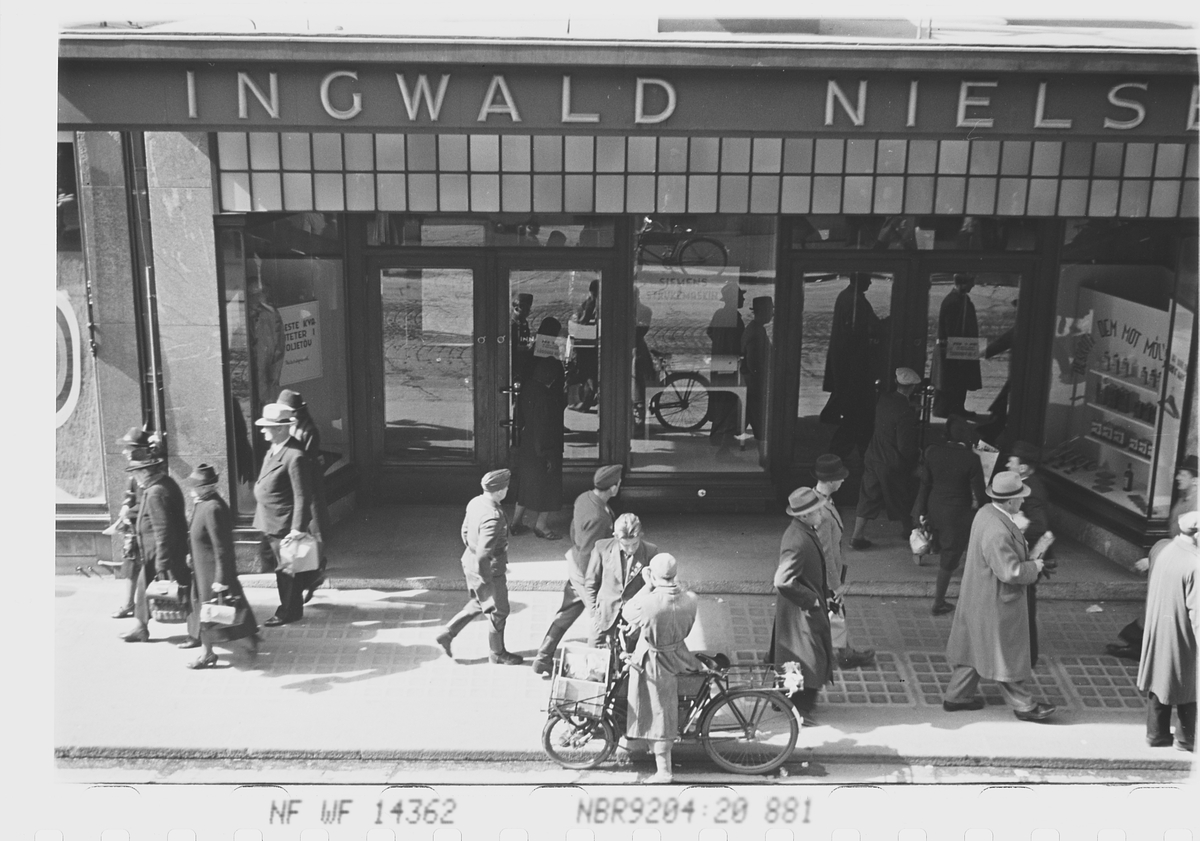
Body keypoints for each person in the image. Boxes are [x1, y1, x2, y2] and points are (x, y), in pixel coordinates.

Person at [941, 471, 1056, 722]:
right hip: (998, 603)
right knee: (1005, 656)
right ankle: (1024, 706)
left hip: (979, 597)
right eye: (1020, 497)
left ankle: (956, 696)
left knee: (974, 649)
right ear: (1009, 501)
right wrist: (1034, 567)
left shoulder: (986, 514)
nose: (1023, 501)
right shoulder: (998, 530)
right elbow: (1010, 571)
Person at [531, 465, 623, 675]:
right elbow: (592, 551)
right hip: (587, 574)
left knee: (566, 613)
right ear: (613, 488)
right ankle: (596, 672)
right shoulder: (599, 516)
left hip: (576, 567)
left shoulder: (584, 498)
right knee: (601, 620)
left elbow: (575, 529)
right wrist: (595, 582)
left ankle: (543, 659)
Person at [621, 553, 704, 784]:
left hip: (655, 662)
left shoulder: (648, 603)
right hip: (679, 655)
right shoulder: (690, 599)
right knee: (664, 708)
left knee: (659, 712)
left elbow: (627, 612)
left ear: (653, 574)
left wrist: (647, 585)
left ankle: (664, 772)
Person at [1107, 454, 1198, 660]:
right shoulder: (1186, 498)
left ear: (1195, 479)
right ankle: (1141, 647)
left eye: (1183, 474)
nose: (1177, 477)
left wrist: (1154, 559)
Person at [436, 469, 524, 665]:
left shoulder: (475, 502)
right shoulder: (493, 516)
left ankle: (448, 632)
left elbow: (465, 531)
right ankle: (497, 653)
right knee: (499, 611)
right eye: (506, 487)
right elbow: (485, 553)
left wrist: (473, 551)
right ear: (500, 491)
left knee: (480, 602)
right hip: (489, 570)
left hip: (470, 563)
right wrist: (487, 578)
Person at [768, 487, 835, 723]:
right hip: (801, 611)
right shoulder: (797, 540)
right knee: (808, 658)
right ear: (804, 515)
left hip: (798, 610)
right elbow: (782, 580)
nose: (821, 513)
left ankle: (786, 702)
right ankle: (797, 709)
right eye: (816, 510)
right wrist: (812, 599)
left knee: (794, 657)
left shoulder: (801, 531)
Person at [121, 449, 199, 647]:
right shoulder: (162, 484)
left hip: (162, 552)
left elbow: (163, 528)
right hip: (157, 551)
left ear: (146, 471)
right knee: (143, 586)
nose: (134, 477)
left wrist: (162, 562)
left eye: (137, 472)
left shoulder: (156, 492)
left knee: (185, 590)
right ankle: (140, 626)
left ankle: (198, 632)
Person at [186, 464, 260, 669]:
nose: (191, 489)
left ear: (207, 487)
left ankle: (237, 644)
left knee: (217, 612)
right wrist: (191, 555)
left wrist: (220, 579)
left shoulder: (213, 508)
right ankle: (212, 651)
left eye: (196, 485)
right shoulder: (203, 503)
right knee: (209, 613)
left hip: (211, 572)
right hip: (202, 570)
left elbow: (222, 548)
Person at [913, 414, 987, 615]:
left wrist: (920, 510)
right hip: (957, 513)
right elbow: (980, 493)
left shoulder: (933, 452)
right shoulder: (971, 458)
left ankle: (923, 553)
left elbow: (925, 483)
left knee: (935, 538)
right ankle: (938, 602)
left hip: (934, 505)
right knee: (950, 555)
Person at [1136, 511, 1198, 752]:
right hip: (1182, 633)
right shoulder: (1195, 564)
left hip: (1159, 626)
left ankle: (1156, 734)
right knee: (1189, 684)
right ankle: (1186, 739)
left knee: (1160, 679)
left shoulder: (1164, 549)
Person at [252, 402, 317, 627]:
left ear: (280, 428)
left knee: (286, 571)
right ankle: (312, 576)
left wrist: (297, 529)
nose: (262, 431)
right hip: (269, 519)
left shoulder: (294, 456)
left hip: (283, 524)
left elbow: (302, 496)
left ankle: (288, 611)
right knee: (277, 565)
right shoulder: (276, 447)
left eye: (266, 427)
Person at [810, 455, 875, 669]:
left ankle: (844, 651)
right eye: (840, 477)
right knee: (831, 611)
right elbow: (826, 553)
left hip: (823, 573)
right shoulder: (822, 511)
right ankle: (843, 654)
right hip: (824, 575)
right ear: (830, 481)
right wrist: (835, 584)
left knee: (832, 612)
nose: (843, 481)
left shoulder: (818, 500)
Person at [849, 367, 922, 550]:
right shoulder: (906, 412)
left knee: (868, 496)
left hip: (873, 455)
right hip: (891, 462)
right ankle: (909, 531)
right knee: (902, 496)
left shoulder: (883, 400)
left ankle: (857, 536)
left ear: (897, 383)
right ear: (913, 388)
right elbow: (905, 446)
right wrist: (918, 456)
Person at [512, 318, 567, 539]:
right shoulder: (547, 399)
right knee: (549, 487)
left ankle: (515, 522)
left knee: (525, 486)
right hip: (545, 447)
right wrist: (548, 453)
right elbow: (547, 427)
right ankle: (541, 526)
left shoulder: (528, 390)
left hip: (528, 443)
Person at [276, 388, 330, 602]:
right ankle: (311, 572)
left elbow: (304, 462)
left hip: (308, 488)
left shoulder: (308, 431)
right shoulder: (287, 429)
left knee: (313, 531)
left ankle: (315, 571)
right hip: (294, 488)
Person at [1006, 440, 1055, 665]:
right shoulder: (1029, 483)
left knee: (1024, 605)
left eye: (1012, 461)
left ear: (1023, 468)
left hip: (1028, 557)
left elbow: (1039, 525)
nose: (1008, 463)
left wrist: (1013, 528)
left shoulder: (1031, 490)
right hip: (1028, 556)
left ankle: (1027, 655)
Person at [823, 272, 881, 460]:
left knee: (856, 420)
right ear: (859, 280)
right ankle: (837, 460)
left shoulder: (846, 297)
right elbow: (859, 333)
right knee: (855, 420)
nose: (871, 282)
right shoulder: (855, 301)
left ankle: (851, 457)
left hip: (847, 368)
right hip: (854, 369)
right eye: (868, 279)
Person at [109, 426, 163, 620]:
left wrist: (125, 516)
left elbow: (146, 504)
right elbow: (130, 494)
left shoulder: (149, 470)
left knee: (148, 570)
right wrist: (125, 507)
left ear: (139, 449)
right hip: (134, 528)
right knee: (131, 569)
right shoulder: (135, 470)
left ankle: (147, 606)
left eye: (128, 448)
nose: (124, 452)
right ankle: (129, 605)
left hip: (147, 530)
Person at [585, 513, 660, 647]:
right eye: (626, 545)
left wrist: (639, 620)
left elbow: (654, 590)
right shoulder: (601, 548)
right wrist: (592, 614)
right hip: (604, 615)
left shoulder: (651, 552)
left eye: (634, 544)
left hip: (634, 618)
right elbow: (591, 584)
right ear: (615, 537)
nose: (631, 549)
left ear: (640, 535)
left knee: (631, 659)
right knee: (594, 655)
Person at [934, 273, 981, 419]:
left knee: (957, 381)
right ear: (962, 283)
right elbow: (952, 331)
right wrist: (960, 351)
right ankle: (950, 411)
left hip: (960, 348)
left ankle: (955, 409)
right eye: (971, 282)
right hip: (954, 349)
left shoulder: (961, 299)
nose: (973, 285)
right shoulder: (953, 302)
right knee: (952, 381)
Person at [707, 280, 745, 444]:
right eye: (741, 297)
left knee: (719, 395)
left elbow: (710, 332)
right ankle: (723, 436)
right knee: (728, 397)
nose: (743, 300)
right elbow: (741, 342)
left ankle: (717, 430)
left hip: (718, 361)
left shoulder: (718, 314)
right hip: (729, 363)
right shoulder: (735, 318)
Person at [247, 274, 285, 409]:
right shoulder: (241, 315)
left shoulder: (270, 315)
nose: (262, 297)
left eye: (263, 293)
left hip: (265, 381)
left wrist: (274, 378)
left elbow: (278, 350)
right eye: (256, 294)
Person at [741, 296, 773, 442]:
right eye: (770, 309)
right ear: (763, 311)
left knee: (752, 415)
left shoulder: (756, 328)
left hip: (752, 381)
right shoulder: (757, 332)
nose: (772, 313)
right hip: (754, 382)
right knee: (756, 415)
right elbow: (753, 363)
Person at [568, 280, 599, 412]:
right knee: (589, 374)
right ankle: (587, 401)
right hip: (589, 344)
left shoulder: (591, 302)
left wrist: (576, 321)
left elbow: (583, 320)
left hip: (585, 344)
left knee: (587, 374)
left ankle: (586, 402)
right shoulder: (595, 302)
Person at [510, 293, 536, 389]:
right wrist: (529, 348)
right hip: (515, 362)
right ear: (519, 308)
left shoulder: (523, 322)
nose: (528, 312)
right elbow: (513, 346)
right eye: (527, 309)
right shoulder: (513, 325)